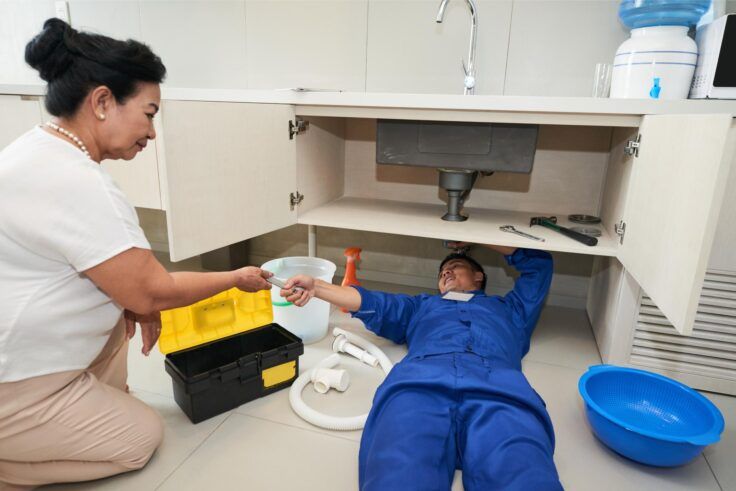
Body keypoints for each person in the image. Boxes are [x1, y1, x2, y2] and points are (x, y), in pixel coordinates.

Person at [0, 19, 272, 489]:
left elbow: (129, 284)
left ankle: (62, 416)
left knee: (121, 314)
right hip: (14, 380)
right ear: (103, 101)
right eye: (148, 114)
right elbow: (152, 291)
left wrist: (134, 301)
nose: (152, 132)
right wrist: (236, 277)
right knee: (141, 437)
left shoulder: (33, 150)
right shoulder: (80, 182)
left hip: (20, 348)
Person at [281, 245, 563, 491]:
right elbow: (371, 302)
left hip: (500, 392)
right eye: (442, 273)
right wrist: (317, 287)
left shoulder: (512, 309)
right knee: (399, 475)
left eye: (456, 267)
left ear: (480, 277)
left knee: (523, 476)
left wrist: (473, 235)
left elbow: (540, 264)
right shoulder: (421, 306)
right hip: (419, 386)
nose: (446, 273)